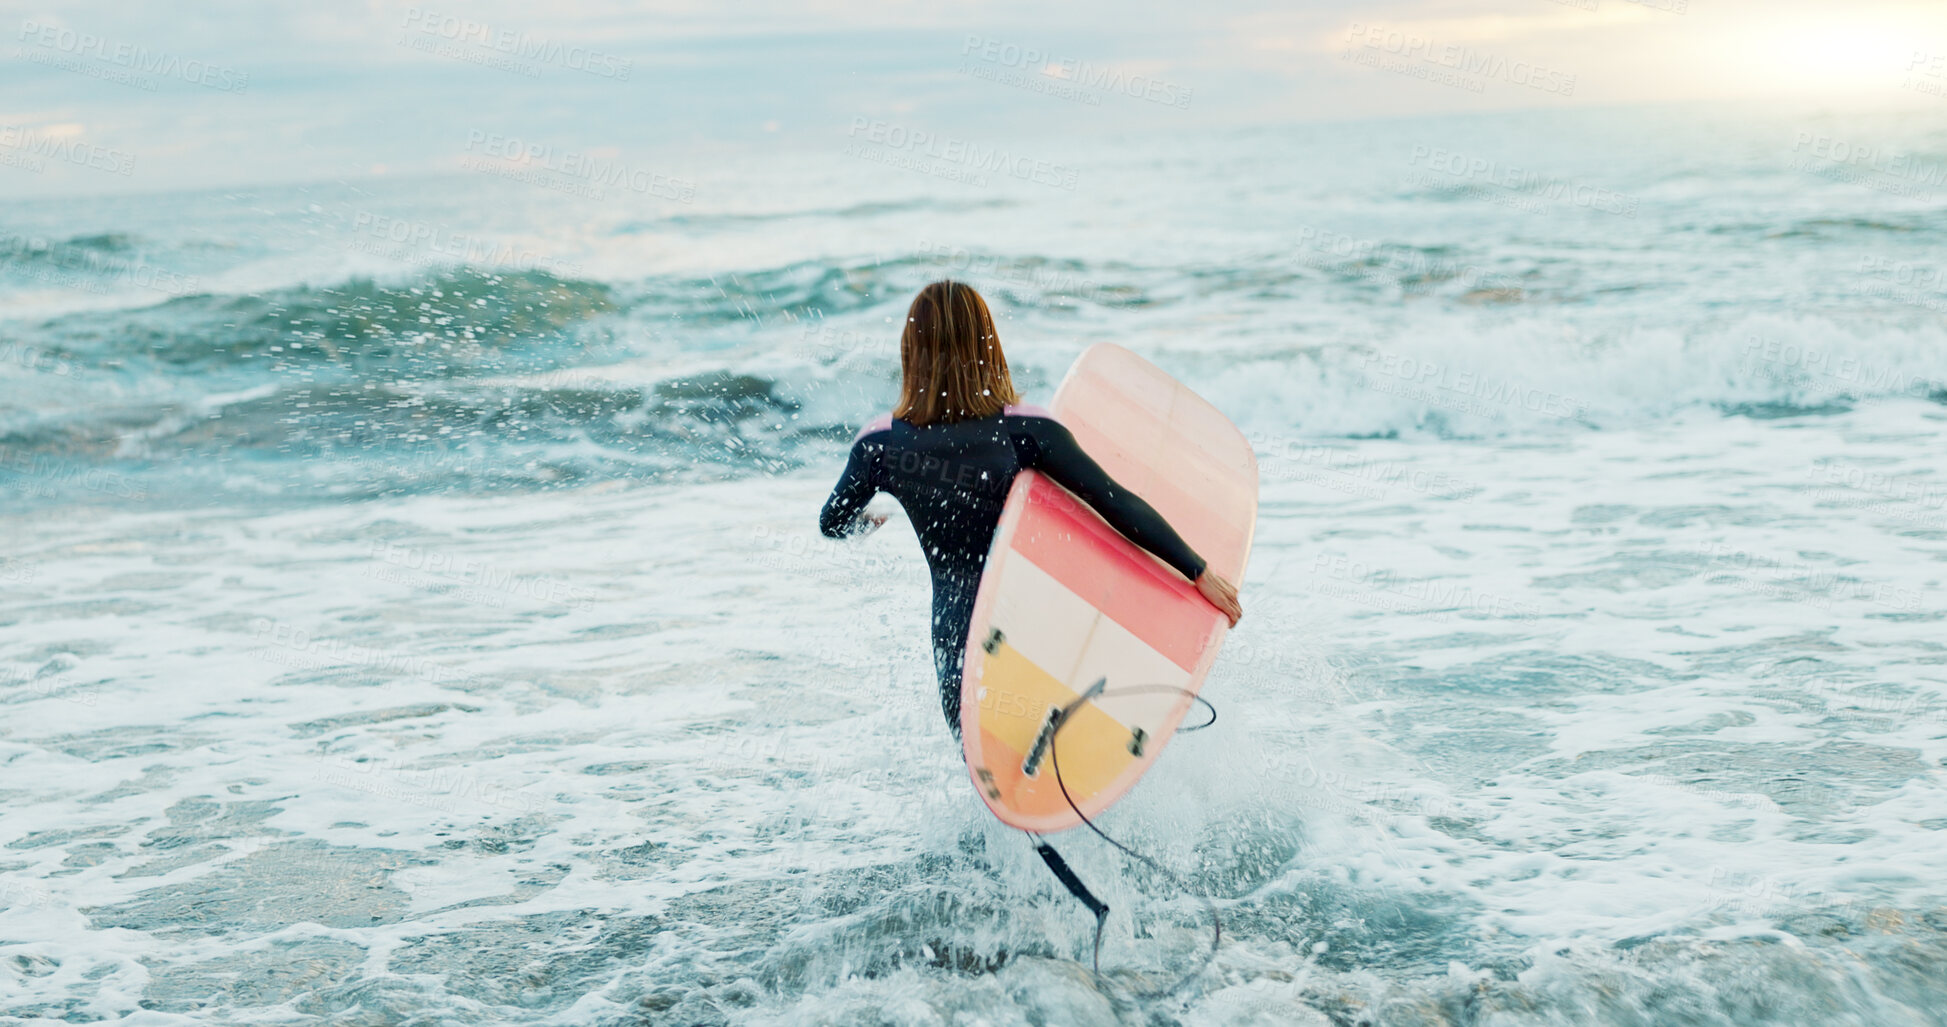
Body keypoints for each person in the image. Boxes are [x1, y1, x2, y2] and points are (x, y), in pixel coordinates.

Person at [819, 280, 1243, 738]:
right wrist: (1197, 570)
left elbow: (832, 522)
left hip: (956, 643)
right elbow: (1115, 504)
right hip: (1035, 636)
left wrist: (868, 522)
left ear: (911, 352)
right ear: (986, 345)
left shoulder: (880, 446)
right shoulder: (1025, 432)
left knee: (994, 778)